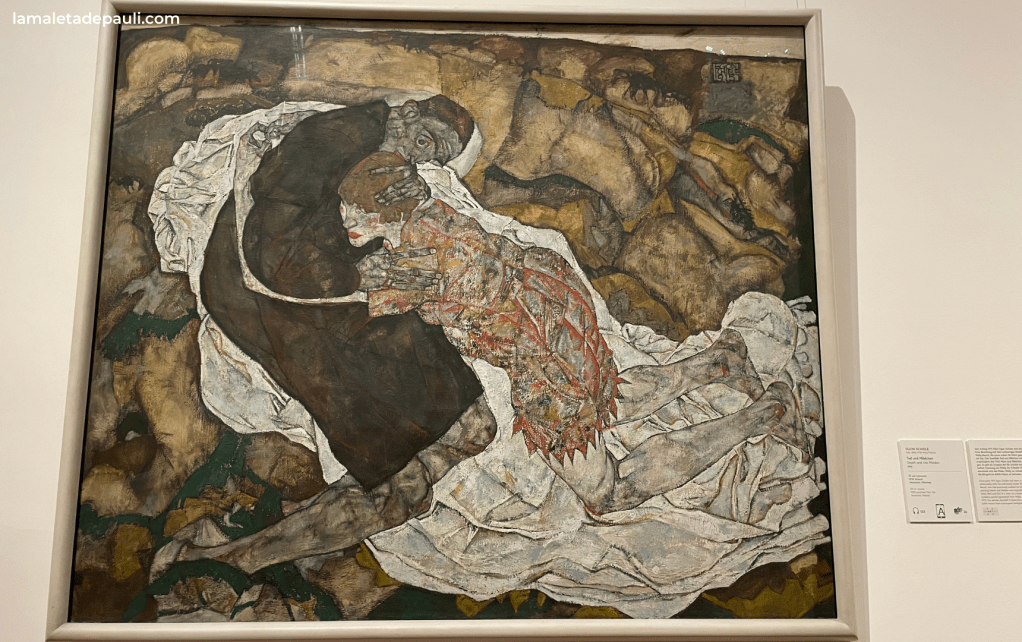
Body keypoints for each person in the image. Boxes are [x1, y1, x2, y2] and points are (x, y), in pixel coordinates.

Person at [199, 96, 487, 491]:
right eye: (423, 141)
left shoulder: (383, 146)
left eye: (430, 157)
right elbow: (273, 253)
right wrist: (354, 276)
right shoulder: (336, 138)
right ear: (406, 113)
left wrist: (408, 195)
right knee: (397, 458)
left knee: (465, 414)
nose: (416, 158)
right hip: (263, 289)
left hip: (324, 267)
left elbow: (360, 209)